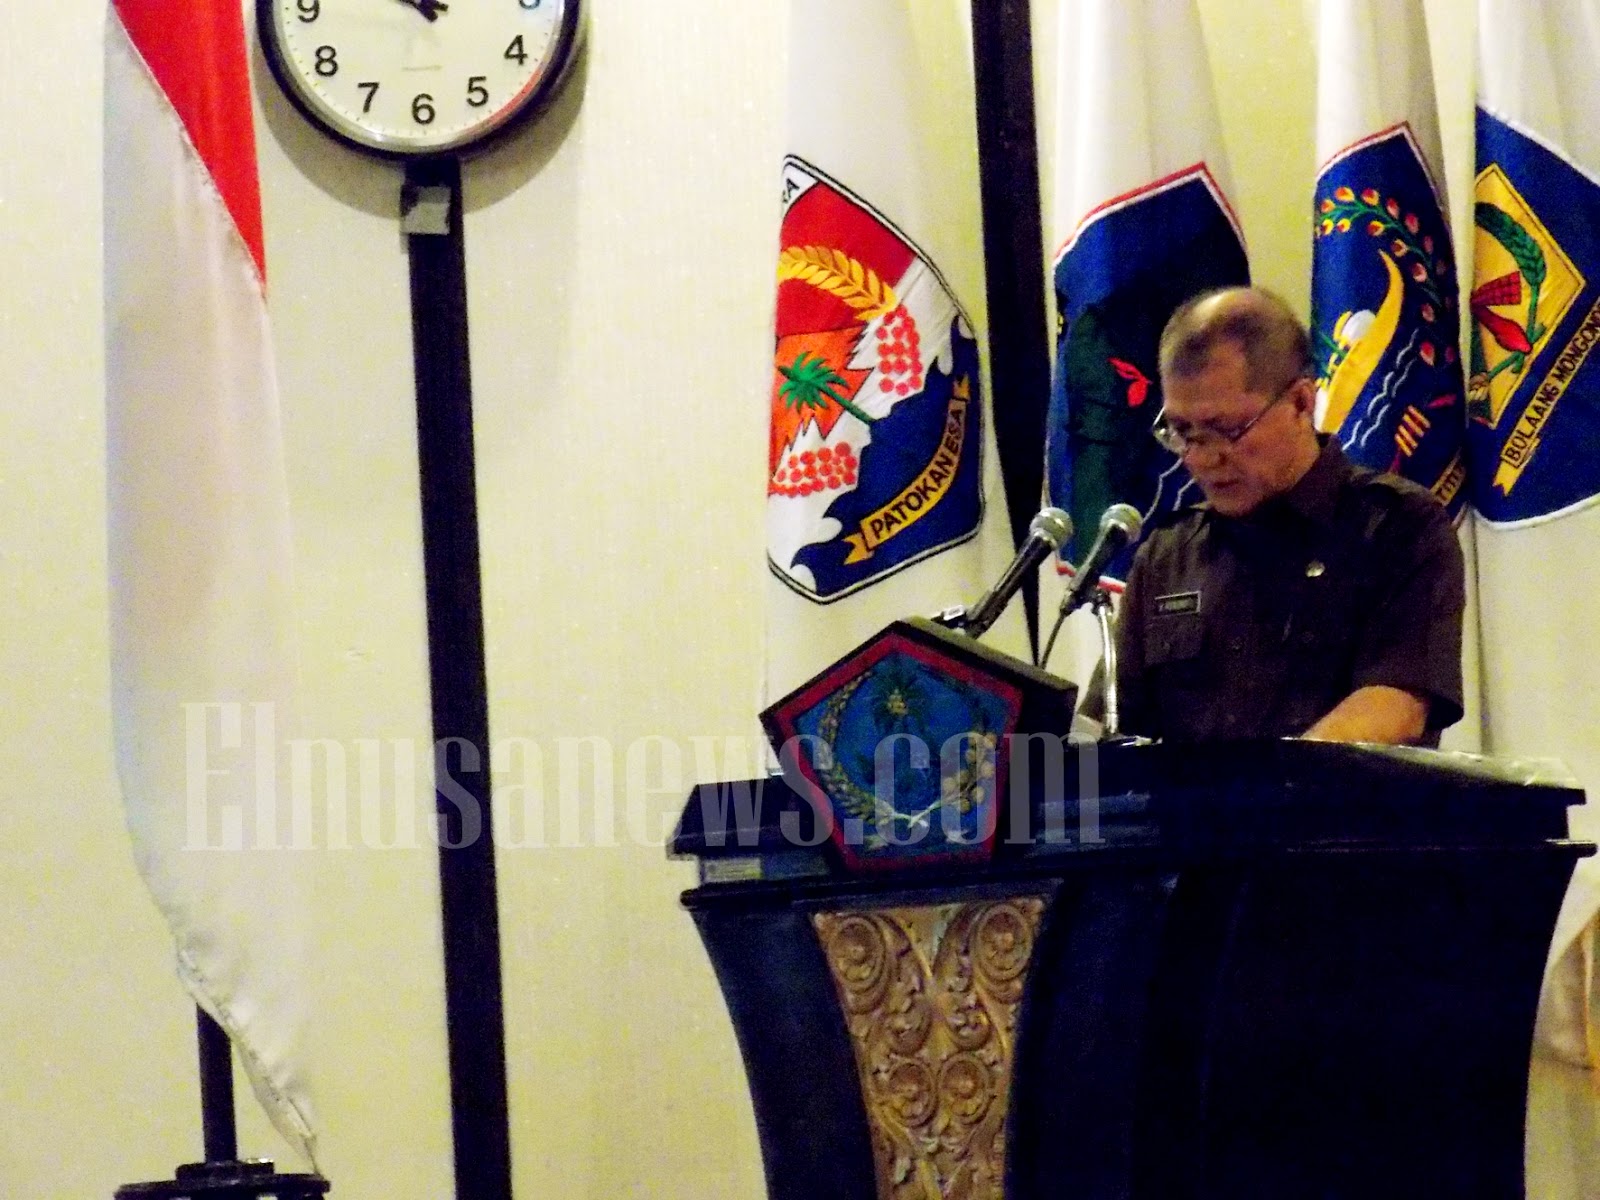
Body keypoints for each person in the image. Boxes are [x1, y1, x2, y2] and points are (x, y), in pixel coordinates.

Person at [1107, 285, 1464, 745]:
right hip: (1190, 798)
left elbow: (1396, 706)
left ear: (1301, 402)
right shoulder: (1168, 555)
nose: (1201, 458)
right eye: (1182, 431)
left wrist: (1265, 787)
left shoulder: (1399, 527)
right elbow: (1112, 724)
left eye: (1226, 430)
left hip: (1332, 794)